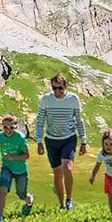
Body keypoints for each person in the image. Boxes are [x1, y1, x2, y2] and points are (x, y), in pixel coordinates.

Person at [35, 72, 87, 210]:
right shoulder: (46, 99)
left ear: (65, 87)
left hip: (69, 138)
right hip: (51, 140)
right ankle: (61, 204)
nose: (57, 91)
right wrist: (39, 141)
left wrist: (83, 142)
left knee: (67, 167)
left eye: (60, 88)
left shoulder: (73, 99)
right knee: (57, 173)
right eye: (54, 88)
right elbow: (40, 121)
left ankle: (70, 200)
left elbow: (79, 120)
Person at [0, 114, 34, 222]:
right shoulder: (0, 136)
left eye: (11, 127)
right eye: (5, 127)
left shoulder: (20, 138)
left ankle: (30, 200)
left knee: (22, 195)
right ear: (2, 127)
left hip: (20, 170)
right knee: (3, 190)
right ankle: (0, 217)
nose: (8, 130)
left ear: (15, 126)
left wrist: (13, 157)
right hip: (6, 167)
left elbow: (26, 155)